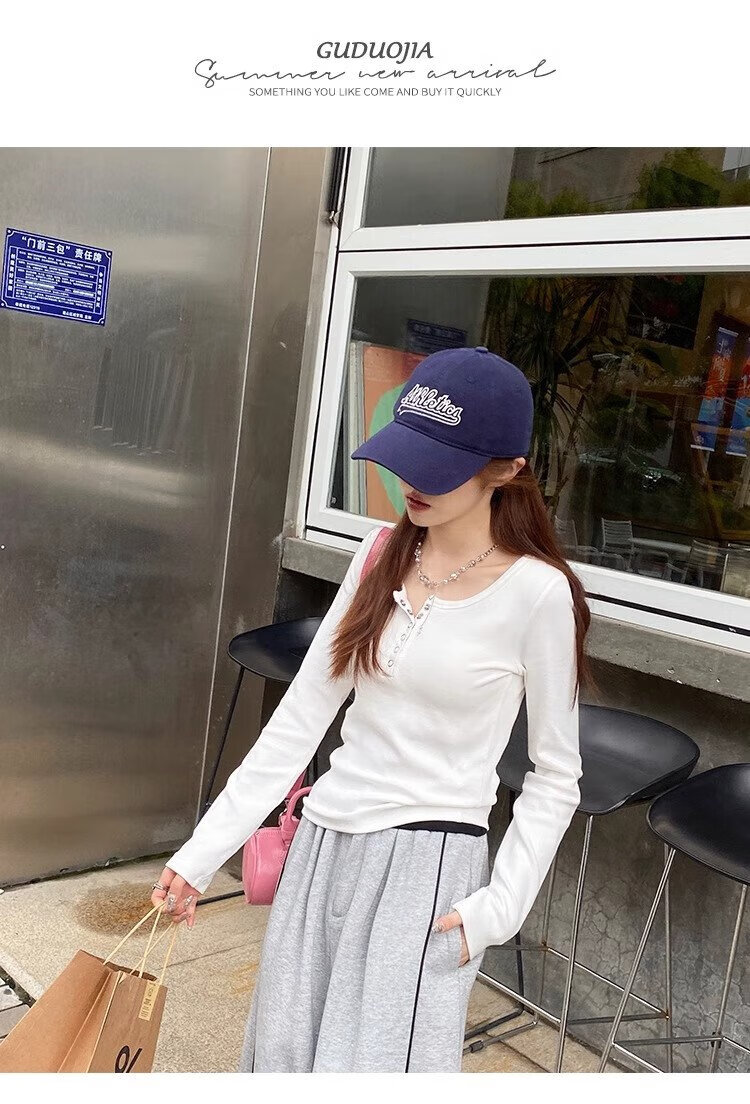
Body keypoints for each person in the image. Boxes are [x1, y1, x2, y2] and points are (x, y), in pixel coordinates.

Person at [151, 345, 592, 1073]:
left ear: (506, 470)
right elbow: (301, 718)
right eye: (407, 455)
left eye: (439, 466)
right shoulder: (379, 553)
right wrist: (201, 855)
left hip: (427, 868)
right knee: (283, 1063)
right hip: (323, 843)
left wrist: (496, 912)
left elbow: (555, 776)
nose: (412, 481)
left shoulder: (538, 594)